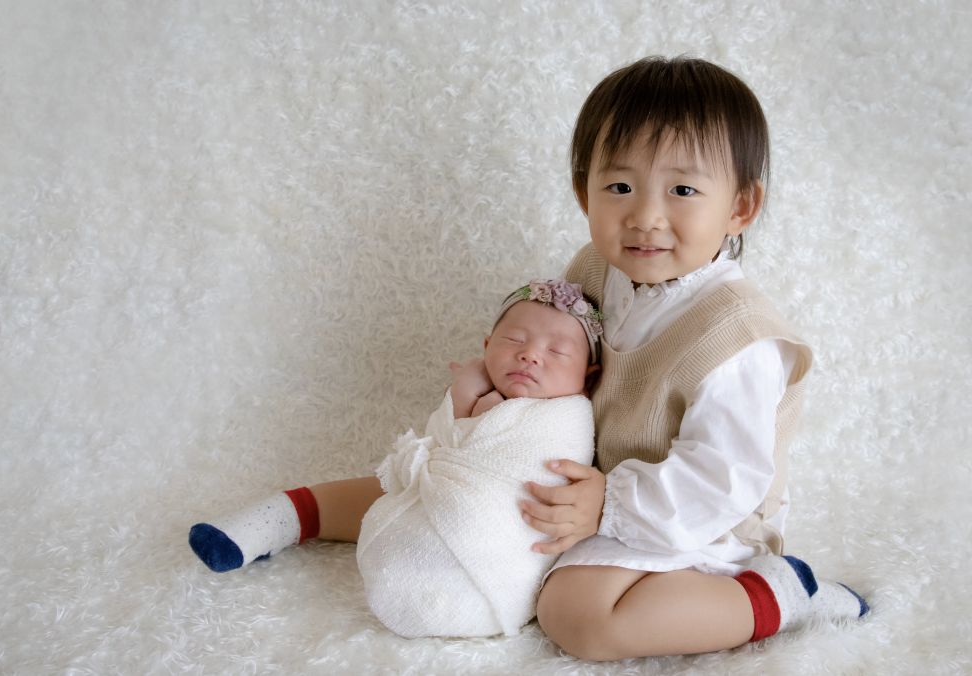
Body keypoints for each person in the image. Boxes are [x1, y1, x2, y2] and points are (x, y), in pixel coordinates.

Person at [191, 54, 870, 659]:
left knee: (576, 615)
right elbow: (558, 351)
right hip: (583, 470)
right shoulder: (598, 271)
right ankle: (290, 514)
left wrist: (607, 505)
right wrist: (492, 396)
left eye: (684, 191)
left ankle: (779, 595)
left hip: (691, 520)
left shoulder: (737, 337)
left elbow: (723, 481)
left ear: (741, 208)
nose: (646, 217)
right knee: (444, 486)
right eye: (620, 187)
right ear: (584, 193)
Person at [189, 279, 604, 638]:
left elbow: (487, 470)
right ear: (486, 347)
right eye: (514, 340)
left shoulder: (568, 417)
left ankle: (299, 518)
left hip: (494, 562)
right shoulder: (481, 394)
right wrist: (462, 394)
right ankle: (282, 516)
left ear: (587, 377)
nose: (531, 355)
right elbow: (440, 444)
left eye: (557, 352)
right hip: (442, 501)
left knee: (403, 501)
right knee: (385, 494)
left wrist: (469, 402)